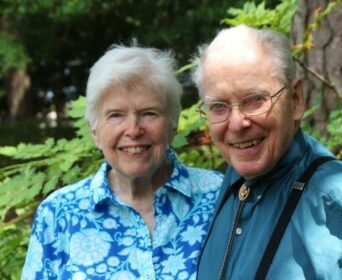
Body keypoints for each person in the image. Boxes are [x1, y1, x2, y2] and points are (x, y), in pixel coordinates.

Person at [191, 24, 342, 280]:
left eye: (255, 99)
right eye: (219, 106)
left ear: (295, 99)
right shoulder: (232, 185)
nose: (237, 123)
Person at [21, 45, 223, 279]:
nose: (133, 130)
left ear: (173, 125)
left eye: (149, 113)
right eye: (116, 115)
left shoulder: (219, 197)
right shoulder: (58, 214)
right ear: (95, 131)